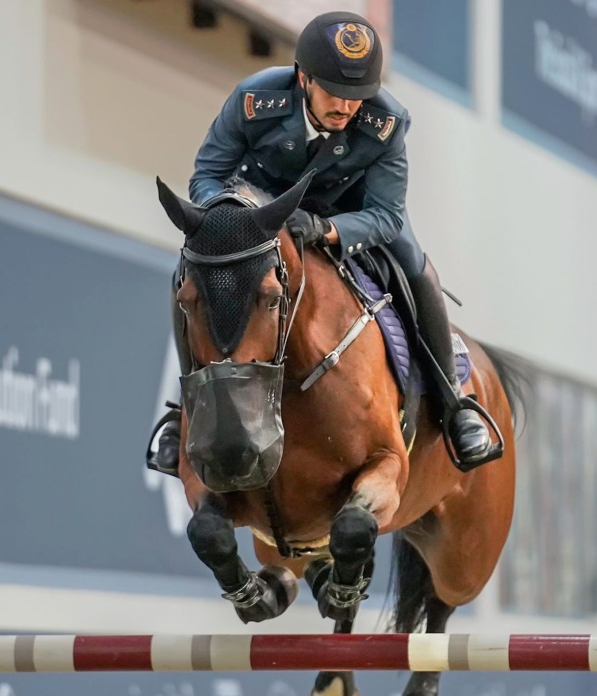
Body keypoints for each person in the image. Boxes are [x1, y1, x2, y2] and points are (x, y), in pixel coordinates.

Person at [152, 10, 495, 475]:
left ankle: (454, 403)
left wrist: (326, 230)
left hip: (350, 215)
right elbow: (207, 176)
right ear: (304, 78)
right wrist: (238, 216)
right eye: (334, 92)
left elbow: (387, 214)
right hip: (259, 213)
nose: (346, 107)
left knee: (416, 266)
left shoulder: (387, 121)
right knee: (188, 276)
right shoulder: (254, 99)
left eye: (357, 96)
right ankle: (184, 411)